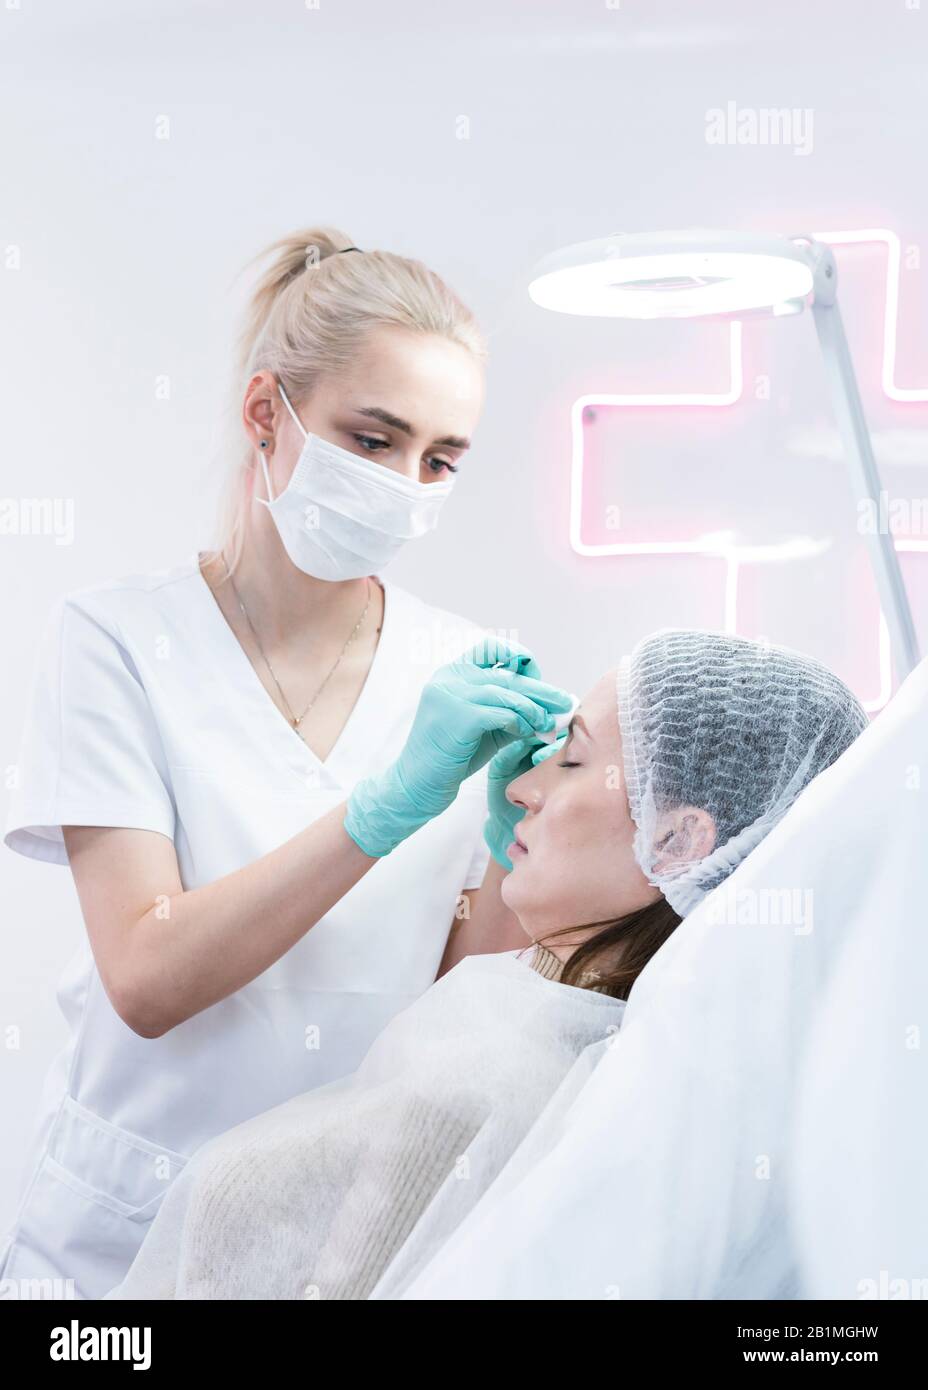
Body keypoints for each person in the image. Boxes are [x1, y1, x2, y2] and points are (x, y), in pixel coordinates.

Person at [0, 226, 562, 1299]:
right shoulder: (116, 641)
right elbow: (149, 978)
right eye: (372, 438)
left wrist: (507, 859)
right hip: (117, 1245)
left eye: (439, 459)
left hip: (335, 1239)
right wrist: (388, 805)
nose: (406, 484)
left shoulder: (457, 668)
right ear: (267, 413)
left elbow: (449, 1020)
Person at [104, 628, 868, 1301]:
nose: (524, 786)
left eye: (570, 760)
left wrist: (389, 807)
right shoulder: (644, 1070)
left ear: (678, 843)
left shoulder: (487, 1091)